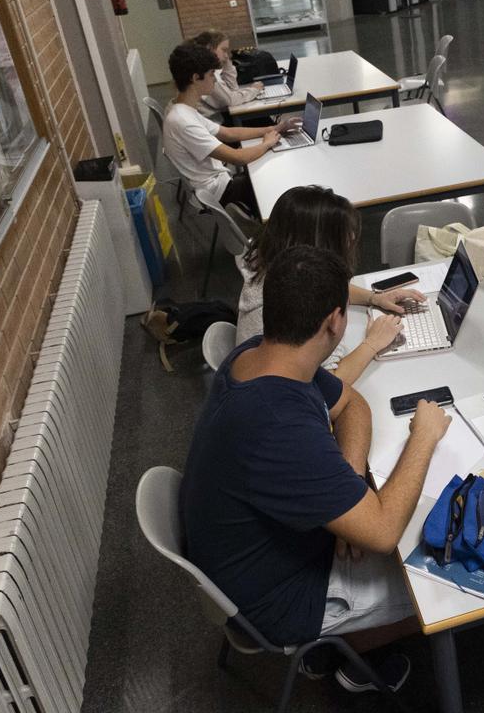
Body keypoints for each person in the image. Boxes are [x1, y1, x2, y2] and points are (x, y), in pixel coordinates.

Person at [181, 245, 452, 693]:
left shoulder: (259, 355)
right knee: (436, 579)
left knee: (378, 519)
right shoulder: (276, 422)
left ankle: (348, 642)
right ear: (335, 321)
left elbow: (353, 404)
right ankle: (345, 655)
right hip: (281, 600)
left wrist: (348, 495)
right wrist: (423, 437)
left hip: (255, 556)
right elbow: (383, 532)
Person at [236, 185, 425, 385]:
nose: (352, 239)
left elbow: (329, 286)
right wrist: (372, 343)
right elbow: (327, 387)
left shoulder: (276, 266)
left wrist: (374, 298)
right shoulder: (285, 309)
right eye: (344, 236)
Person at [162, 43, 298, 213]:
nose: (214, 79)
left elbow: (228, 133)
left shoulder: (184, 110)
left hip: (220, 182)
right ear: (196, 78)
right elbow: (237, 158)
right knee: (281, 181)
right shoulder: (183, 121)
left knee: (269, 168)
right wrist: (267, 143)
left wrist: (275, 127)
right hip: (221, 193)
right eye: (211, 74)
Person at [188, 29, 262, 115]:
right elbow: (231, 100)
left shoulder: (209, 69)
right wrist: (254, 90)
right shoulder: (205, 73)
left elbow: (233, 90)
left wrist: (227, 63)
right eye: (224, 50)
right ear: (209, 48)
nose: (226, 55)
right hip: (216, 121)